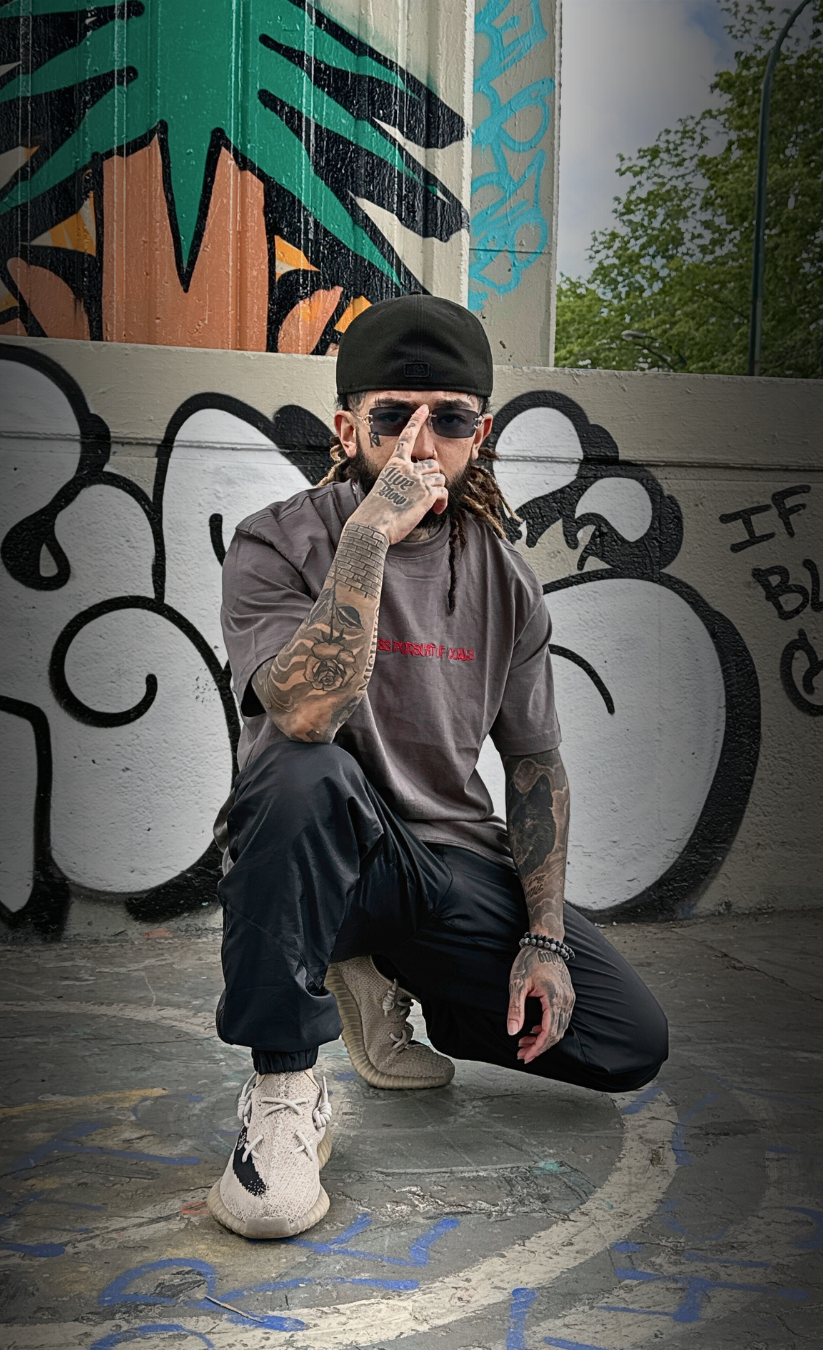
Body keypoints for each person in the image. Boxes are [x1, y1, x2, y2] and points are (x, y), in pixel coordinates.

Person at [208, 294, 668, 1239]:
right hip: (315, 854)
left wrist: (541, 939)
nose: (422, 445)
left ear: (481, 433)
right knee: (303, 771)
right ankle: (286, 1090)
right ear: (348, 429)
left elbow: (535, 766)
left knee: (627, 1041)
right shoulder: (277, 539)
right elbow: (303, 711)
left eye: (450, 419)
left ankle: (390, 980)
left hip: (443, 867)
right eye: (393, 418)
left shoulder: (504, 578)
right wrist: (369, 539)